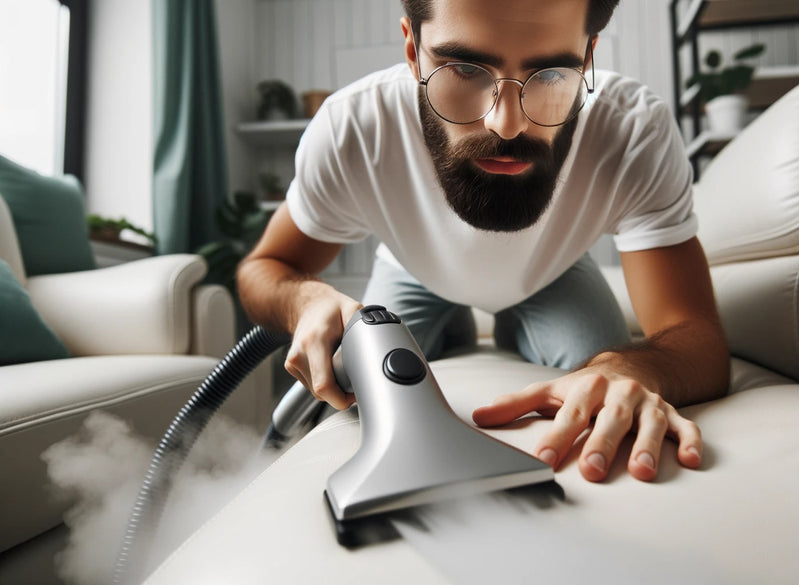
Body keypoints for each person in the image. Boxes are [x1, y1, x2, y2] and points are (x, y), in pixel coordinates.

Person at [237, 0, 730, 483]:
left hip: (553, 271)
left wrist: (628, 368)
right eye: (465, 69)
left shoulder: (633, 128)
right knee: (359, 398)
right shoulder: (353, 127)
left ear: (588, 56)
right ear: (413, 49)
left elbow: (695, 336)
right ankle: (448, 327)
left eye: (553, 74)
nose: (507, 124)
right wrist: (305, 299)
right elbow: (266, 266)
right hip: (411, 269)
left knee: (601, 391)